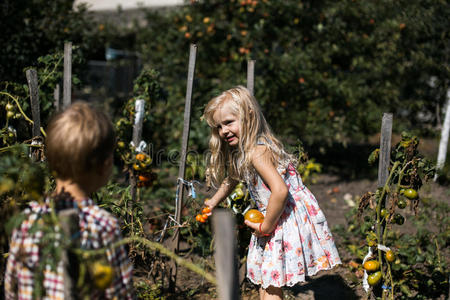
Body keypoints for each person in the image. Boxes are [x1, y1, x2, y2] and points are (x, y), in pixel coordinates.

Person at [203, 86, 341, 300]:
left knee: (270, 284)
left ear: (248, 117)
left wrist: (266, 225)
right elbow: (233, 178)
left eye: (229, 123)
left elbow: (280, 191)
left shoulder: (258, 151)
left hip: (282, 220)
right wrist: (213, 201)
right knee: (267, 282)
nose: (223, 131)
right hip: (275, 218)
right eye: (219, 127)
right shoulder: (245, 151)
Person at [4, 102, 134, 299]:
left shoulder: (26, 222)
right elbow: (121, 294)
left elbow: (11, 289)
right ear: (105, 165)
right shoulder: (104, 227)